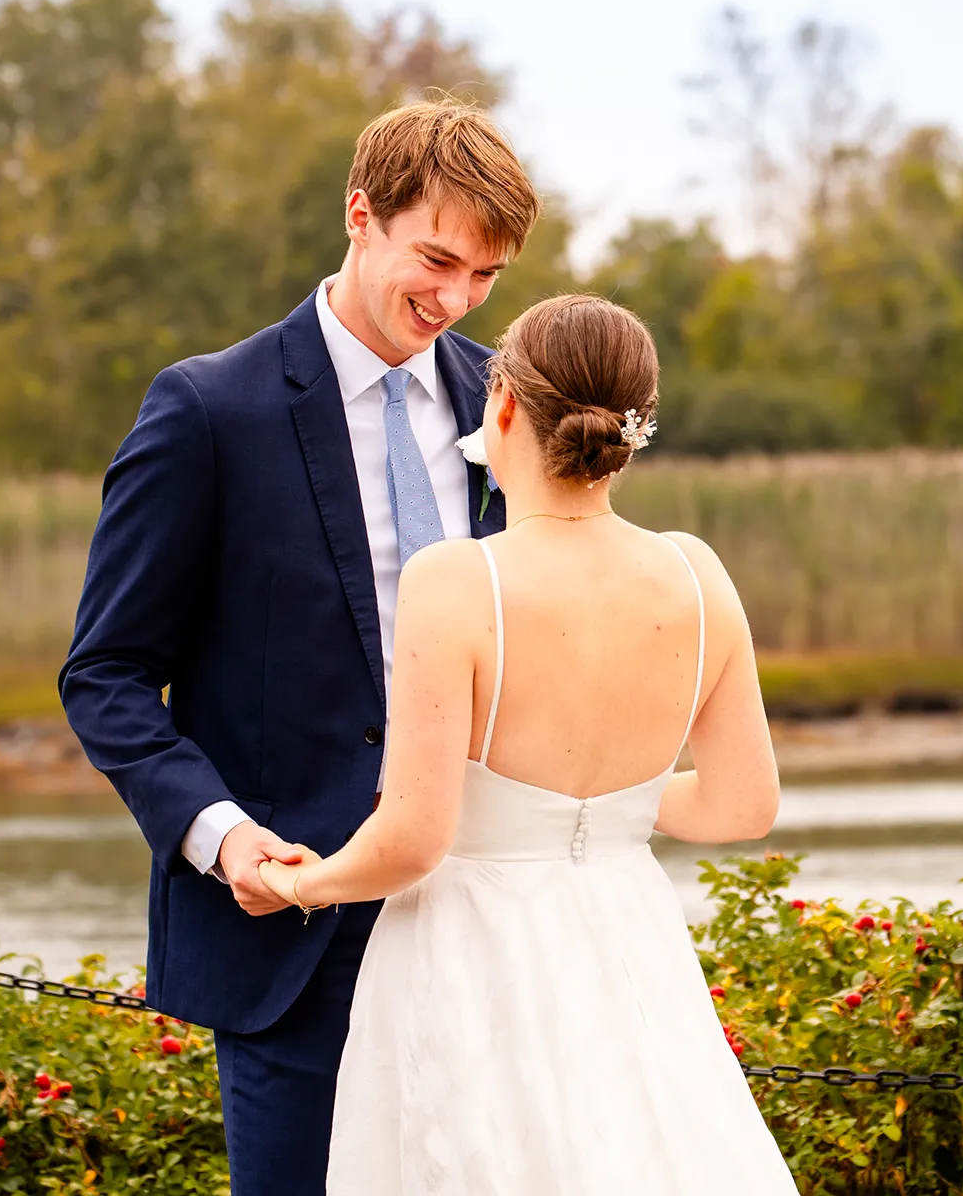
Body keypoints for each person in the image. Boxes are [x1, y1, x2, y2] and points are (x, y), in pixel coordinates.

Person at [59, 98, 539, 1195]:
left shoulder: (508, 406)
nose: (456, 298)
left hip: (481, 917)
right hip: (289, 925)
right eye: (436, 258)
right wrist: (226, 841)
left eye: (485, 277)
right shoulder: (204, 408)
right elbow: (107, 674)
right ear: (359, 213)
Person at [258, 294, 797, 1194]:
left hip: (475, 951)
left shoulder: (458, 578)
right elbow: (744, 805)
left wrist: (296, 884)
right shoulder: (696, 572)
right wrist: (603, 807)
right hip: (629, 941)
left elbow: (414, 838)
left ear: (501, 402)